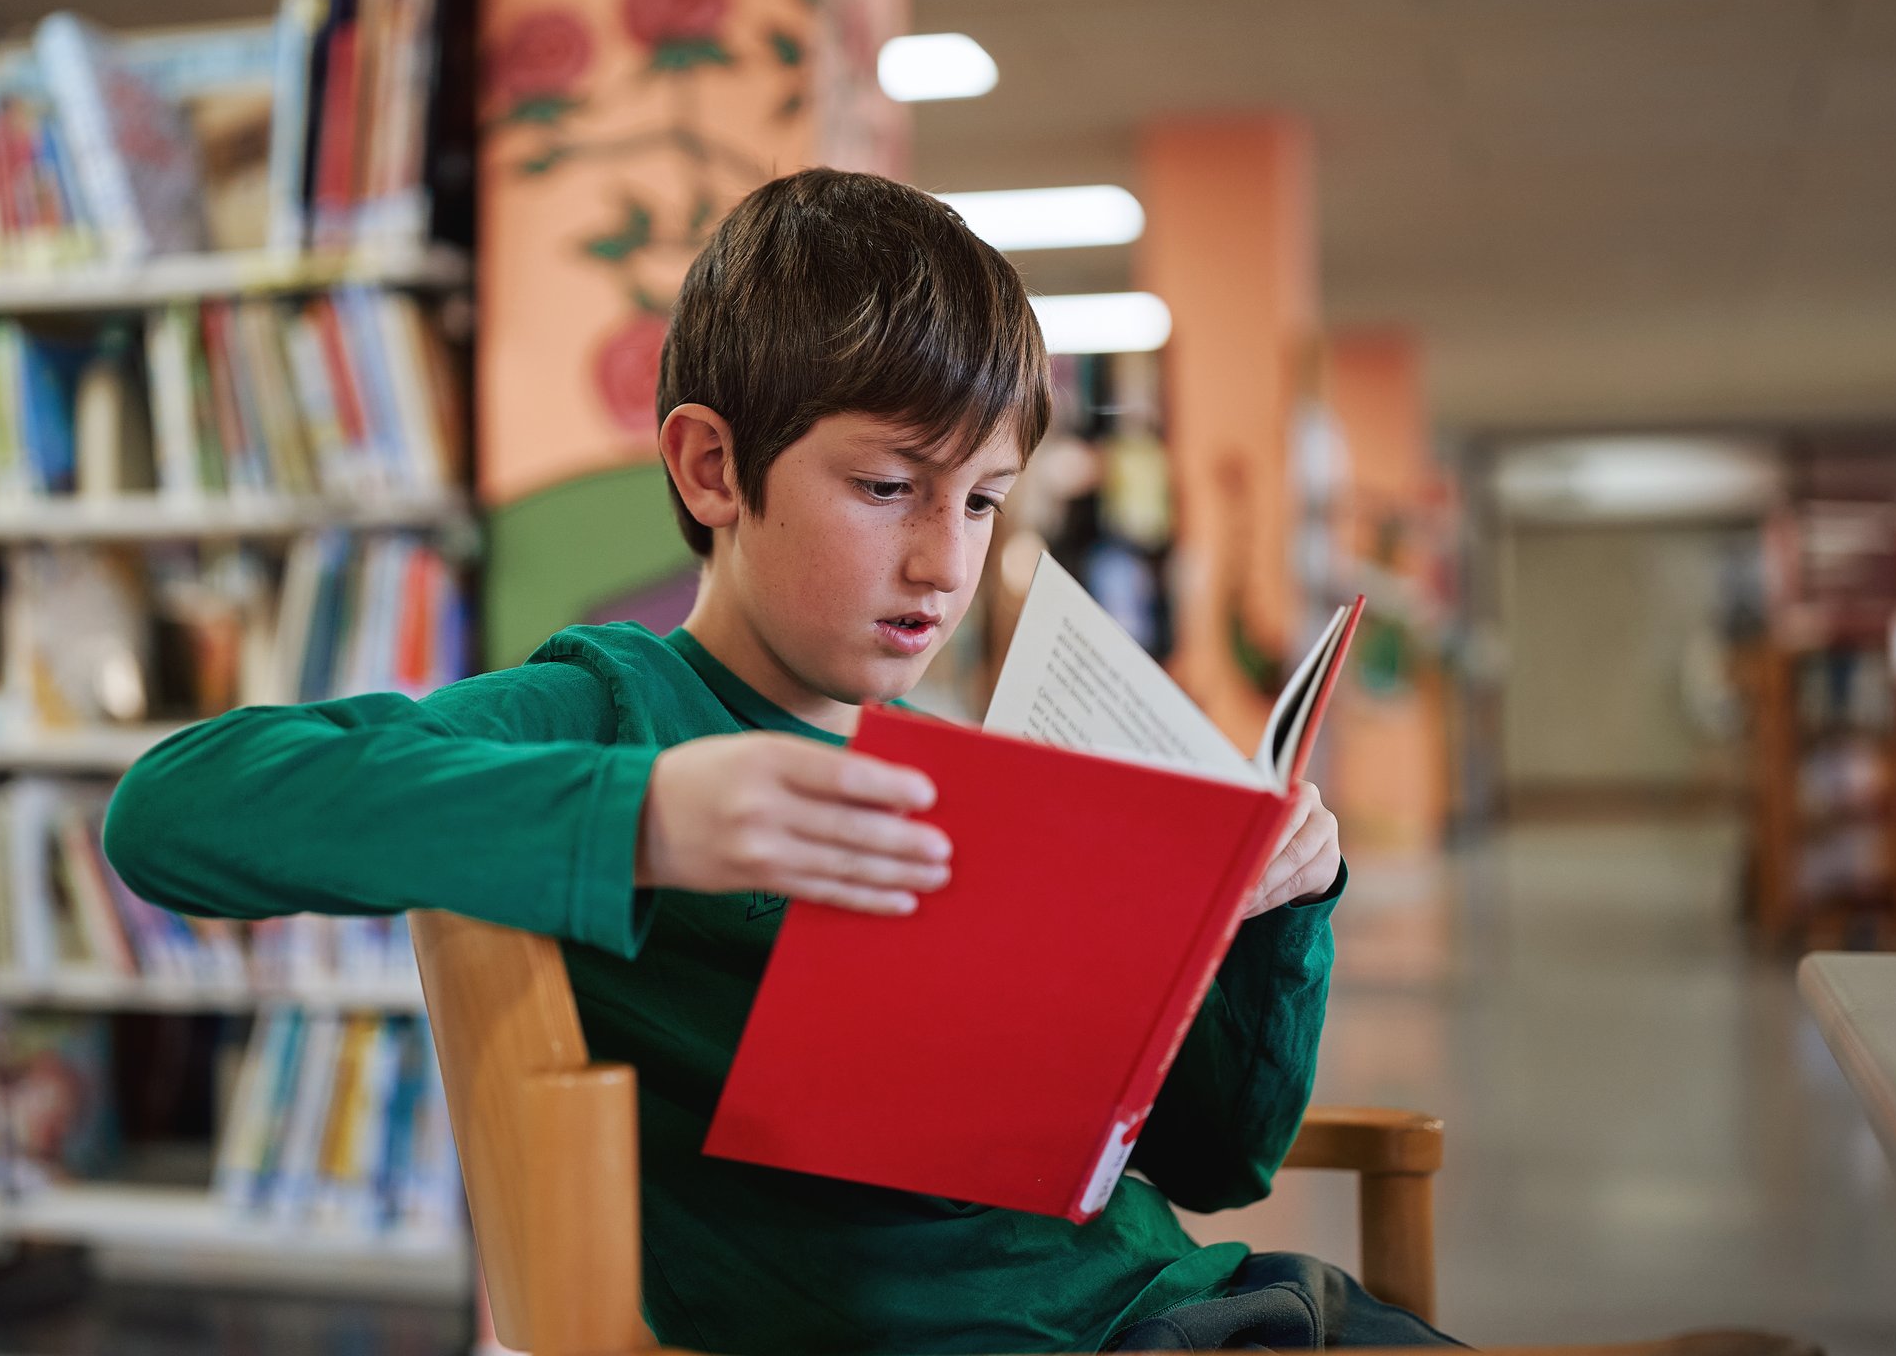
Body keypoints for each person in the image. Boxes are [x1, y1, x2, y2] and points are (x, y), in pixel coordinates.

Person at [104, 168, 1455, 1352]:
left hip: (1219, 1299)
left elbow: (1215, 1160)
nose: (946, 562)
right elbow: (172, 811)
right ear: (709, 467)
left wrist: (1280, 911)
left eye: (982, 501)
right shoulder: (613, 710)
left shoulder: (963, 769)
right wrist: (643, 819)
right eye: (886, 489)